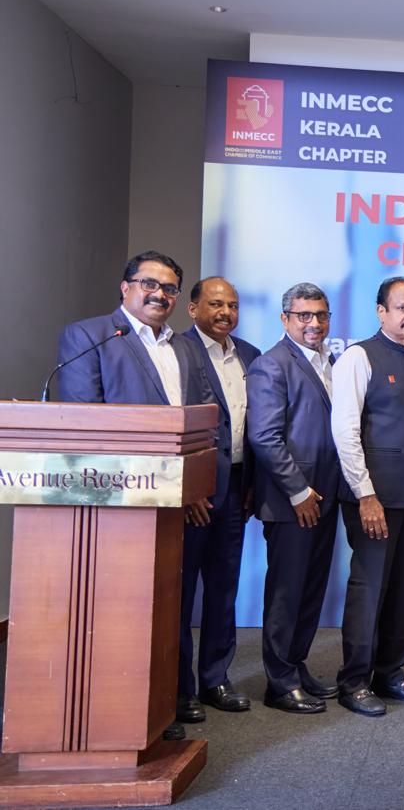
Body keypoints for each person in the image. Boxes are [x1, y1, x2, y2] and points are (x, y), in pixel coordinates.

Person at [57, 249, 215, 741]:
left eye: (169, 288)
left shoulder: (186, 347)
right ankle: (119, 713)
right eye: (149, 283)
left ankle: (167, 701)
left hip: (176, 502)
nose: (159, 294)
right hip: (115, 507)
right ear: (125, 287)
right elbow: (85, 425)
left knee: (170, 606)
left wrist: (191, 485)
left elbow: (198, 420)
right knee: (123, 614)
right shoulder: (90, 337)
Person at [331, 277, 404, 716]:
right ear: (381, 311)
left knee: (402, 590)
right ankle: (354, 682)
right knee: (369, 589)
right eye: (401, 308)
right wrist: (365, 494)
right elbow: (344, 431)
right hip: (373, 498)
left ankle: (390, 673)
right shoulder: (358, 357)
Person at [247, 283, 341, 715]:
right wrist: (299, 492)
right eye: (304, 315)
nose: (314, 323)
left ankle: (296, 667)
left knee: (311, 589)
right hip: (293, 502)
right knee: (286, 593)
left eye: (320, 315)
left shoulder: (330, 361)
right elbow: (265, 438)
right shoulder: (271, 365)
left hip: (327, 495)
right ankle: (280, 682)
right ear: (285, 319)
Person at [178, 277, 260, 723]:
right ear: (193, 309)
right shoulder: (178, 352)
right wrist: (189, 486)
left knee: (224, 588)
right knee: (182, 592)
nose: (225, 312)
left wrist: (253, 485)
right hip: (195, 491)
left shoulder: (250, 354)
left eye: (232, 305)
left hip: (236, 487)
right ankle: (180, 689)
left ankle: (215, 678)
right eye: (215, 304)